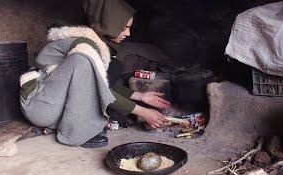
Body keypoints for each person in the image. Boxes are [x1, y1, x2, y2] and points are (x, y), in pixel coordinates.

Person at [19, 0, 170, 148]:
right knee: (83, 61)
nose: (128, 33)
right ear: (111, 23)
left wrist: (140, 96)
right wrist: (142, 111)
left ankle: (74, 124)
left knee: (113, 66)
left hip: (52, 103)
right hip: (40, 107)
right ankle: (78, 132)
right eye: (124, 27)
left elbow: (100, 84)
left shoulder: (95, 44)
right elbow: (98, 88)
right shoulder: (85, 48)